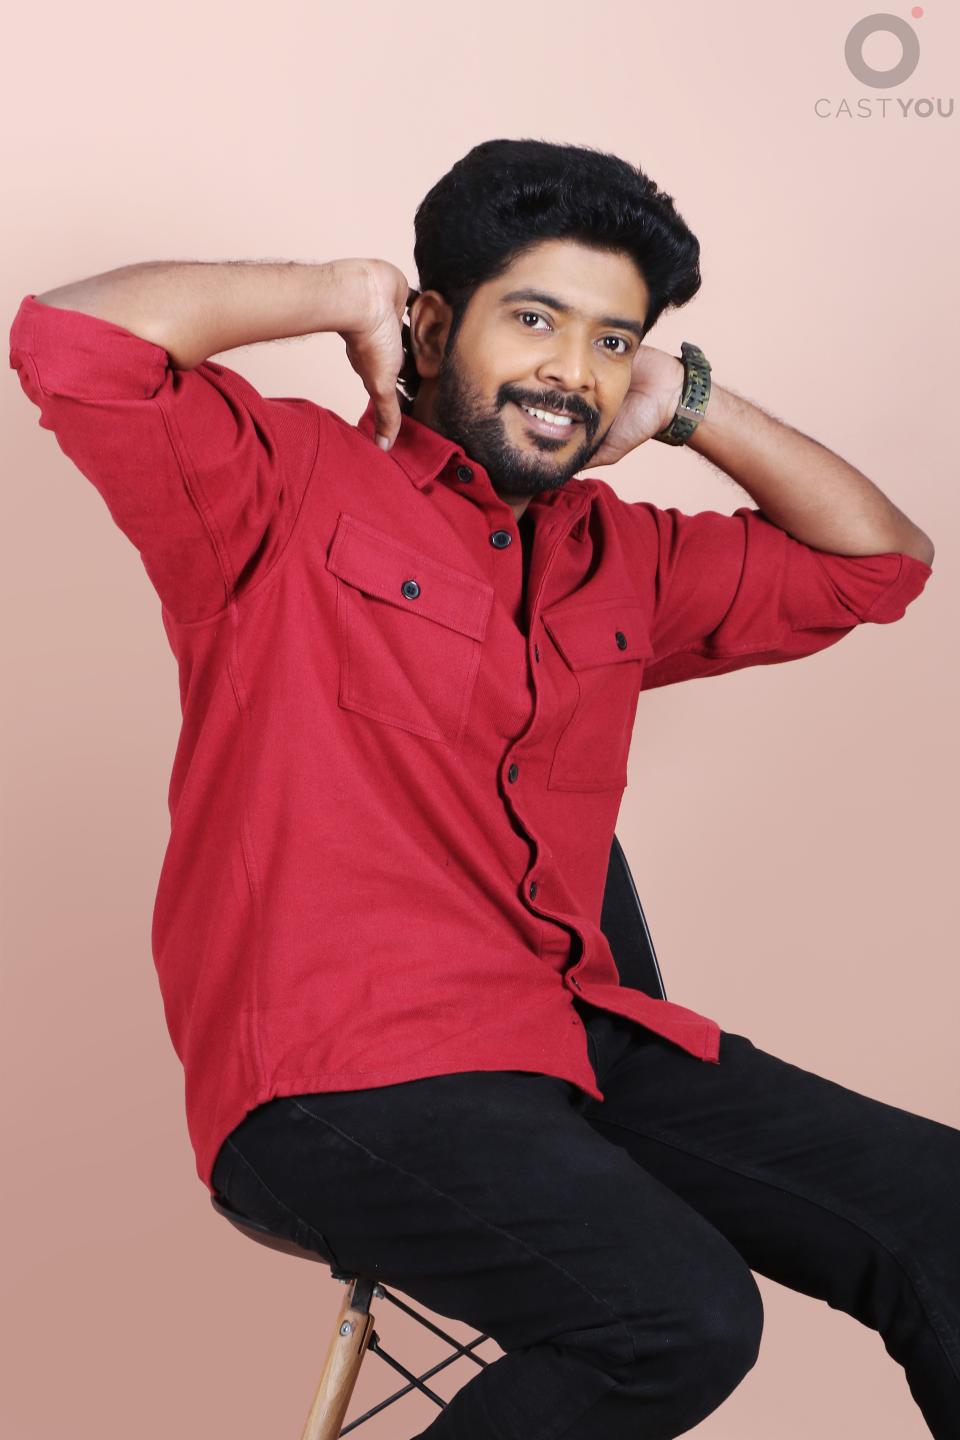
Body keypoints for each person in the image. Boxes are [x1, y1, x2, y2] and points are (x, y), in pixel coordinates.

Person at [9, 138, 956, 1438]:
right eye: (534, 320)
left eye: (612, 340)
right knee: (678, 1314)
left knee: (945, 1212)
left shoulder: (626, 557)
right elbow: (71, 344)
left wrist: (689, 401)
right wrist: (337, 291)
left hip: (573, 1045)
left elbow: (880, 566)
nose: (574, 371)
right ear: (434, 324)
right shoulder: (282, 488)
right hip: (341, 1072)